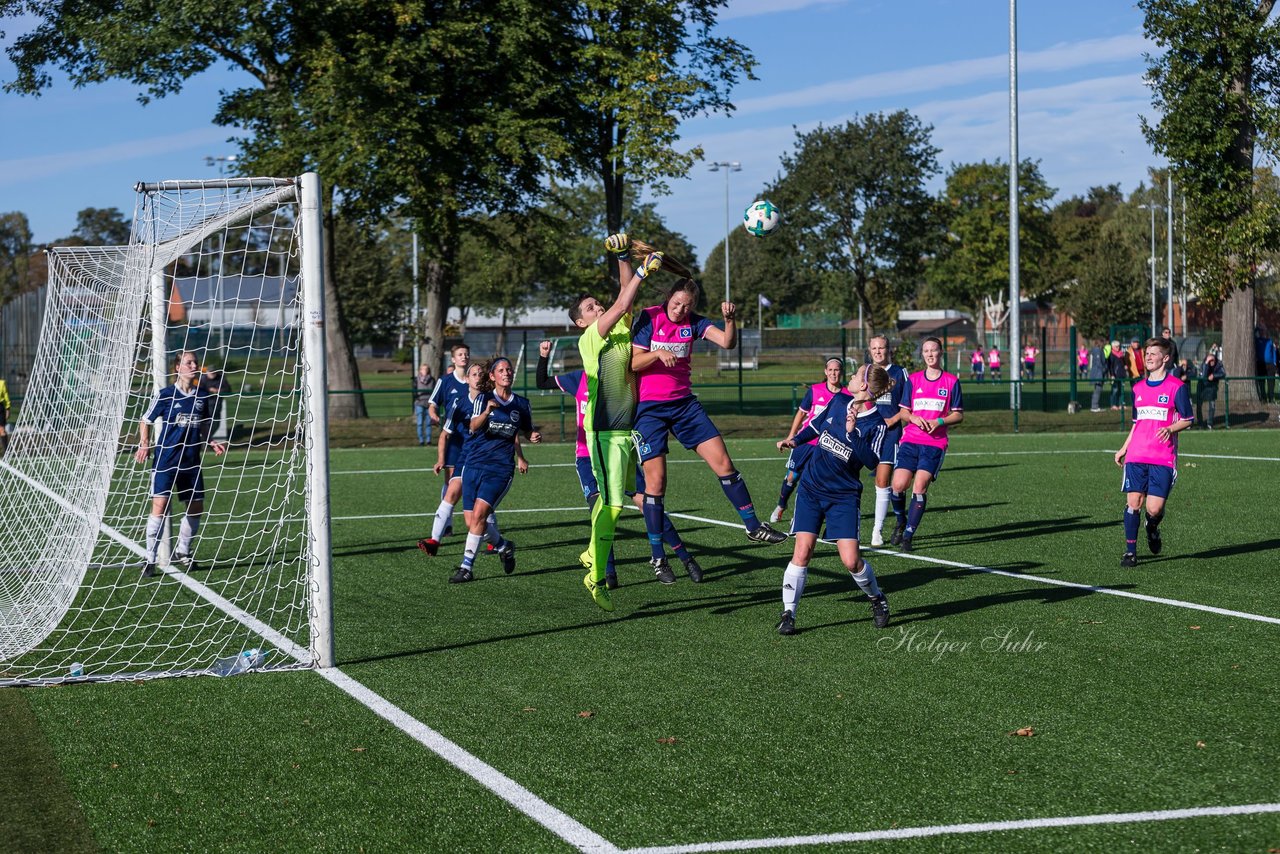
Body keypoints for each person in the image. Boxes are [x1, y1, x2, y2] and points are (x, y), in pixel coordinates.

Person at [630, 273, 786, 583]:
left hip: (685, 405)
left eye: (686, 306)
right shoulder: (648, 317)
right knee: (656, 484)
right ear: (668, 298)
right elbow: (633, 363)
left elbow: (727, 342)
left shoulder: (695, 323)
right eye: (676, 304)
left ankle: (753, 526)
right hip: (649, 410)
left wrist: (731, 320)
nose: (680, 311)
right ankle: (658, 557)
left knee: (725, 464)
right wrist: (657, 354)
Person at [536, 340, 701, 587]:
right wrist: (543, 356)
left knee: (649, 504)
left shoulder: (626, 379)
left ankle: (685, 559)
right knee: (601, 512)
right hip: (587, 456)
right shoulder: (578, 379)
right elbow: (542, 382)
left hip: (619, 454)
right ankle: (607, 572)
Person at [573, 232, 664, 611]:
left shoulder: (620, 330)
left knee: (615, 502)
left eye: (597, 304)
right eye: (591, 307)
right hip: (605, 430)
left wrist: (625, 257)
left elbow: (625, 295)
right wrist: (643, 269)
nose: (597, 307)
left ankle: (591, 554)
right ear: (582, 322)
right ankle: (594, 576)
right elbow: (626, 297)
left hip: (624, 429)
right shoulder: (592, 338)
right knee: (612, 506)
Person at [774, 364, 891, 636]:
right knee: (802, 552)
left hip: (843, 496)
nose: (849, 377)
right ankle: (788, 613)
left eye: (854, 374)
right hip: (811, 489)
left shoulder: (876, 424)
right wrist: (795, 441)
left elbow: (872, 460)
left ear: (863, 385)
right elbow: (815, 426)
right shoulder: (838, 400)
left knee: (851, 561)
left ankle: (877, 598)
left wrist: (852, 433)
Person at [134, 351, 227, 577]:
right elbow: (145, 420)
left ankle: (183, 551)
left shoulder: (202, 396)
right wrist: (144, 444)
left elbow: (203, 424)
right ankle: (149, 558)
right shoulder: (166, 394)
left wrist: (210, 440)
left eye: (195, 362)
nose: (194, 365)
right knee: (160, 508)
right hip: (166, 461)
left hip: (191, 461)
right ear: (178, 368)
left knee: (196, 507)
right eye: (188, 362)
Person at [448, 357, 538, 583]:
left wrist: (532, 436)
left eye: (509, 370)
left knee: (479, 516)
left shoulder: (522, 404)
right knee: (472, 523)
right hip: (474, 464)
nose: (506, 373)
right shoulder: (484, 399)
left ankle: (466, 567)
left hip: (500, 469)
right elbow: (472, 426)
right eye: (501, 370)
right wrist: (487, 412)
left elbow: (527, 429)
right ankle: (504, 546)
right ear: (492, 376)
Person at [1114, 337, 1193, 568]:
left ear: (1165, 358)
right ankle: (1130, 552)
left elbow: (1188, 419)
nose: (1148, 356)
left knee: (1154, 508)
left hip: (1162, 457)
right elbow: (1137, 423)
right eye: (1147, 353)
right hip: (1137, 454)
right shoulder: (1137, 388)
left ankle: (1152, 527)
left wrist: (1170, 428)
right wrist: (1124, 448)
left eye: (1153, 353)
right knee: (1134, 502)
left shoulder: (1176, 387)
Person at [889, 337, 964, 552]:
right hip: (910, 439)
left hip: (935, 443)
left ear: (941, 353)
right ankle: (900, 521)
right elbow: (904, 411)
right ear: (922, 354)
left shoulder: (951, 382)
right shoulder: (913, 380)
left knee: (919, 486)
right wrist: (912, 418)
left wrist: (940, 421)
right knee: (898, 485)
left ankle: (908, 536)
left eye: (934, 350)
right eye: (926, 351)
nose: (930, 354)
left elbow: (958, 415)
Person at [770, 357, 844, 525]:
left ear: (841, 372)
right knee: (791, 477)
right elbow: (801, 413)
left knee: (815, 481)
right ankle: (781, 506)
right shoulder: (815, 390)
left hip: (827, 446)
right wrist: (791, 436)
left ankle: (801, 513)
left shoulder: (846, 395)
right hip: (805, 442)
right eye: (830, 370)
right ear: (826, 372)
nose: (833, 373)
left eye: (837, 370)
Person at [418, 343, 471, 554]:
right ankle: (447, 521)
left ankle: (485, 530)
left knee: (470, 485)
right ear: (453, 359)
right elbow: (433, 403)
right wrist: (432, 413)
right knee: (450, 482)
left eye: (466, 354)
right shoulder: (445, 381)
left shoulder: (474, 381)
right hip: (452, 437)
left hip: (473, 439)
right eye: (460, 354)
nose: (464, 357)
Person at [865, 336, 908, 548]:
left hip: (890, 434)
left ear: (889, 349)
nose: (878, 351)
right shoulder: (866, 372)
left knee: (882, 481)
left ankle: (877, 530)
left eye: (881, 347)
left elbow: (908, 404)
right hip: (868, 433)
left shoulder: (899, 373)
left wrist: (894, 419)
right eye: (874, 348)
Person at [1198, 352, 1224, 428]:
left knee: (1212, 405)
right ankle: (1200, 423)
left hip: (1212, 386)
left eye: (1213, 360)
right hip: (1202, 386)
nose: (1212, 362)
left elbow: (1223, 373)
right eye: (1210, 361)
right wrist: (1206, 364)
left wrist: (1214, 376)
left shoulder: (1218, 364)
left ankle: (1210, 423)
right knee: (1199, 405)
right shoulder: (1204, 364)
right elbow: (1203, 376)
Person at [413, 362, 436, 447]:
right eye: (423, 369)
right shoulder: (416, 380)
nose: (424, 371)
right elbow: (414, 391)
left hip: (429, 404)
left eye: (426, 369)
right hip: (420, 403)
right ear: (420, 370)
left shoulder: (432, 380)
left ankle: (429, 441)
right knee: (419, 423)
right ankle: (421, 441)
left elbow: (434, 391)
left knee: (428, 423)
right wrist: (417, 397)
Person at [1087, 338, 1107, 412]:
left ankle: (1095, 405)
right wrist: (1103, 370)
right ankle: (1094, 406)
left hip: (1097, 372)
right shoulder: (1098, 350)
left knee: (1097, 389)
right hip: (1098, 373)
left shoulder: (1095, 350)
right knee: (1098, 389)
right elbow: (1099, 363)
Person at [1106, 340, 1126, 410]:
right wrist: (1112, 374)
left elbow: (1123, 363)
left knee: (1121, 390)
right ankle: (1113, 404)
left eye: (1119, 346)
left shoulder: (1121, 354)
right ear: (1113, 347)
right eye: (1116, 346)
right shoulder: (1111, 355)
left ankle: (1121, 404)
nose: (1118, 347)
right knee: (1115, 390)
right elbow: (1110, 366)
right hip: (1114, 375)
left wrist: (1125, 366)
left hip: (1121, 375)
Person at [0, 375, 9, 456]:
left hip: (0, 408)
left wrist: (8, 409)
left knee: (2, 430)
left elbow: (6, 397)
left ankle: (6, 451)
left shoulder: (2, 383)